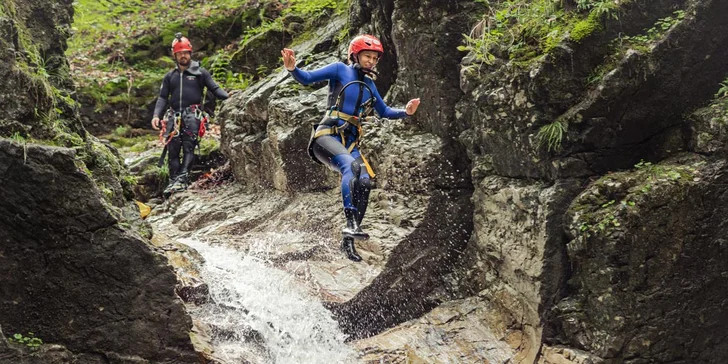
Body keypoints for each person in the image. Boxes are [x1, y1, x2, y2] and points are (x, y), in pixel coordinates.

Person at [280, 34, 421, 262]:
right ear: (355, 55)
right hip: (326, 136)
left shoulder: (370, 85)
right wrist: (292, 68)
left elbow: (384, 112)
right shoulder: (339, 70)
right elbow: (306, 78)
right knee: (350, 166)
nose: (371, 61)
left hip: (351, 143)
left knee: (365, 181)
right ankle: (351, 222)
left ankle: (348, 238)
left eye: (375, 58)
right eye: (367, 56)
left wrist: (406, 112)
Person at [151, 33, 229, 195]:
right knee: (172, 149)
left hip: (192, 115)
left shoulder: (200, 72)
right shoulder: (170, 76)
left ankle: (183, 178)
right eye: (180, 53)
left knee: (188, 147)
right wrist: (156, 115)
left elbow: (214, 89)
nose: (183, 56)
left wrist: (228, 96)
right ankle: (173, 180)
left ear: (190, 53)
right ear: (175, 55)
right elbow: (163, 97)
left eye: (186, 53)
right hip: (173, 116)